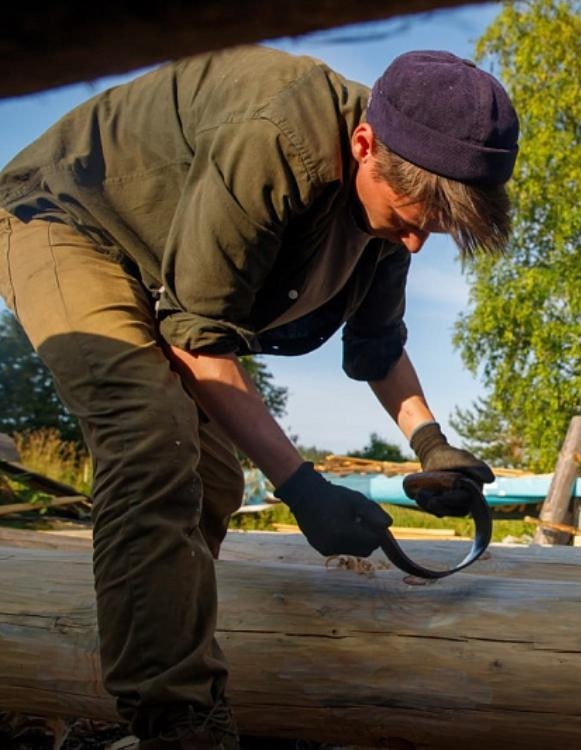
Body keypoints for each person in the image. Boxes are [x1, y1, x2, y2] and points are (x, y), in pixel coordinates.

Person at [0, 46, 517, 748]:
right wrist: (301, 487)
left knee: (211, 477)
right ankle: (178, 724)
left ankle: (158, 669)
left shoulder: (400, 192)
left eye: (437, 226)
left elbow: (378, 349)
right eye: (410, 218)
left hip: (164, 276)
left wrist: (434, 444)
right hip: (61, 217)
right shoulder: (278, 138)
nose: (418, 242)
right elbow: (199, 339)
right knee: (153, 439)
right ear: (365, 145)